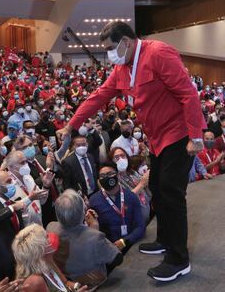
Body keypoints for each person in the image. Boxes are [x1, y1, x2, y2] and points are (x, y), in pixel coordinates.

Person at [57, 21, 205, 281]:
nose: (109, 53)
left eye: (111, 47)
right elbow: (99, 96)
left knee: (171, 192)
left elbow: (188, 94)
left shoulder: (158, 53)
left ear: (126, 41)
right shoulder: (122, 68)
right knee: (157, 188)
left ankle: (179, 259)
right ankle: (164, 239)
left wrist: (195, 135)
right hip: (158, 136)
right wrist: (71, 125)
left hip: (179, 133)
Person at [47, 189, 122, 289]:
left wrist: (90, 230)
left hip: (65, 283)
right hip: (94, 285)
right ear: (82, 213)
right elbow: (117, 259)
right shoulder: (96, 237)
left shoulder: (50, 228)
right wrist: (94, 228)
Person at [89, 164, 145, 253]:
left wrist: (125, 241)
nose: (106, 178)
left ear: (117, 175)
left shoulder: (131, 197)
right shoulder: (93, 201)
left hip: (130, 246)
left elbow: (140, 226)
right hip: (108, 250)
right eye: (102, 176)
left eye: (110, 174)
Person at [12, 224, 75, 292]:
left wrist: (77, 286)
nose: (50, 237)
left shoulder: (47, 260)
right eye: (46, 237)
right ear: (39, 251)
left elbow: (65, 283)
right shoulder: (35, 282)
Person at [5, 151, 52, 226]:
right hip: (24, 229)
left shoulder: (28, 176)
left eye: (26, 161)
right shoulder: (7, 186)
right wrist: (30, 198)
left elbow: (42, 201)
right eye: (22, 163)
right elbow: (11, 210)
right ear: (10, 167)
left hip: (39, 223)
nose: (26, 165)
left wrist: (46, 187)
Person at [109, 147, 151, 223]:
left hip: (146, 209)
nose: (120, 159)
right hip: (134, 219)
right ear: (111, 161)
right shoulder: (113, 180)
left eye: (123, 156)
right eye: (116, 157)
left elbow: (145, 188)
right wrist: (141, 184)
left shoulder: (132, 172)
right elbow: (125, 199)